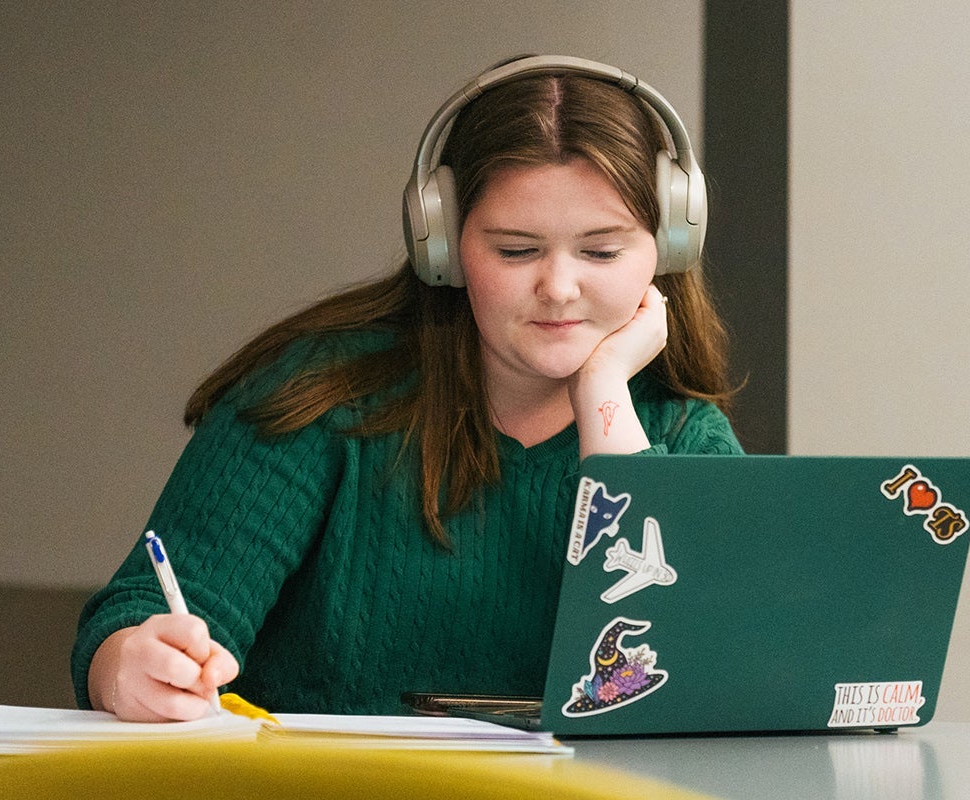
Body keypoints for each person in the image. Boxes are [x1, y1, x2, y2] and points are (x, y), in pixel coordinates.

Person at [72, 55, 743, 722]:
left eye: (601, 252)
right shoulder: (319, 394)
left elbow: (698, 677)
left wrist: (602, 396)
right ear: (443, 247)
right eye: (516, 250)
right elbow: (145, 615)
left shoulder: (683, 435)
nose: (560, 288)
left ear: (670, 246)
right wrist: (128, 664)